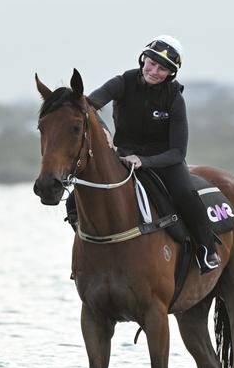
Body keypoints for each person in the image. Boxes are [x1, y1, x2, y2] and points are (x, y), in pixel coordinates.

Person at [83, 35, 221, 273]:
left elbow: (178, 151)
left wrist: (144, 161)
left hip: (164, 160)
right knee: (82, 183)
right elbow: (88, 104)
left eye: (162, 69)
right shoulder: (123, 82)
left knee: (185, 193)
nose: (154, 71)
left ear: (171, 74)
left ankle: (206, 248)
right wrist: (104, 131)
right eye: (151, 63)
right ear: (143, 59)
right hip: (123, 156)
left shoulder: (175, 98)